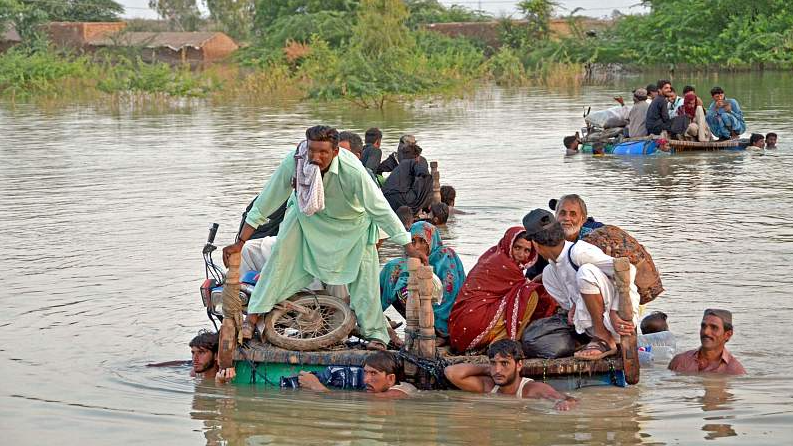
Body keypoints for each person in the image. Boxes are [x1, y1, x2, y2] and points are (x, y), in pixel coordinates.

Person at [222, 125, 426, 351]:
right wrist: (240, 242)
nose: (316, 158)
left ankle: (376, 335)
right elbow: (267, 200)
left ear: (336, 152)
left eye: (323, 153)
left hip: (352, 225)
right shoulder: (296, 161)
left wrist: (406, 243)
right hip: (306, 217)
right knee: (279, 261)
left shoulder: (353, 171)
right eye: (312, 151)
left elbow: (380, 209)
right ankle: (252, 319)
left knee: (365, 278)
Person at [522, 209, 639, 361]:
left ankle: (604, 339)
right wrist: (574, 307)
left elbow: (628, 269)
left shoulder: (579, 251)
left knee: (586, 272)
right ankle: (596, 338)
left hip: (619, 322)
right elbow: (575, 300)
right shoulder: (551, 272)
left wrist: (615, 311)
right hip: (590, 327)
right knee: (548, 276)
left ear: (536, 244)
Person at [448, 227, 557, 353]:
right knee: (530, 294)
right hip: (471, 326)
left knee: (526, 291)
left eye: (527, 250)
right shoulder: (503, 265)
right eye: (517, 248)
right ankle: (507, 343)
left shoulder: (492, 257)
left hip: (458, 329)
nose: (521, 255)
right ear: (508, 245)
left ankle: (497, 341)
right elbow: (525, 287)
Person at [380, 221, 466, 343]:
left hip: (447, 317)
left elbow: (450, 294)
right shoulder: (408, 262)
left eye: (422, 241)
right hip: (421, 314)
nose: (416, 247)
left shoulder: (445, 256)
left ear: (431, 242)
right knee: (393, 270)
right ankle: (374, 319)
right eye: (413, 242)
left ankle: (440, 333)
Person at [443, 339, 578, 411]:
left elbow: (569, 400)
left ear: (519, 365)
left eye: (505, 363)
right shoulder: (488, 386)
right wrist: (488, 369)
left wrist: (564, 404)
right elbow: (451, 372)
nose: (498, 370)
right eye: (493, 363)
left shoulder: (533, 389)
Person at [298, 351, 417, 398]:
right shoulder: (386, 388)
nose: (365, 380)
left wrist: (316, 386)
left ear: (391, 379)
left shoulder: (399, 392)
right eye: (365, 372)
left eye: (373, 373)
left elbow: (370, 399)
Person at [668, 309, 746, 375]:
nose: (706, 332)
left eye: (714, 327)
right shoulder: (680, 361)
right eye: (703, 326)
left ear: (728, 335)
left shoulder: (734, 371)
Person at [381, 142, 433, 214]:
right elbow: (423, 174)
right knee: (428, 179)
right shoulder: (414, 162)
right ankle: (417, 211)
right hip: (400, 199)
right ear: (417, 157)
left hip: (386, 199)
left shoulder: (399, 167)